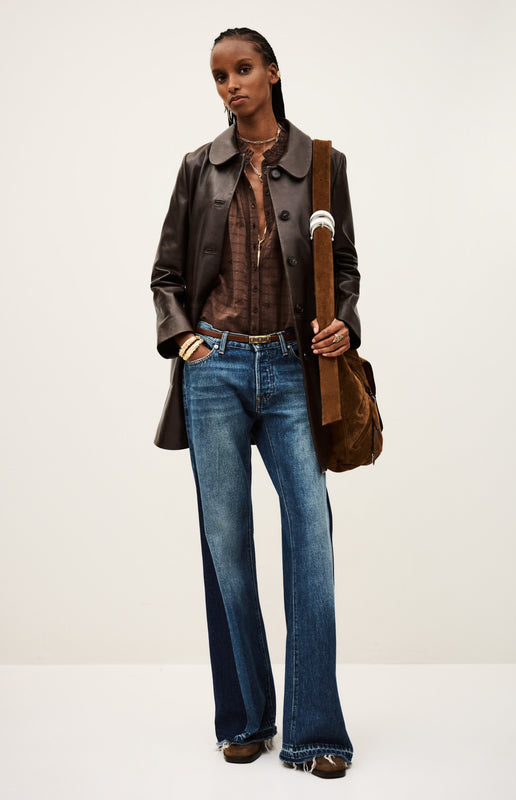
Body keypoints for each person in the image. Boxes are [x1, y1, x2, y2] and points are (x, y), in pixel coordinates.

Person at [150, 27, 361, 779]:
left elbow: (345, 268)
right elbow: (166, 275)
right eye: (219, 76)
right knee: (227, 549)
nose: (230, 85)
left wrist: (343, 322)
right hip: (215, 370)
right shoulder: (196, 167)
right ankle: (243, 718)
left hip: (293, 371)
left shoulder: (322, 166)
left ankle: (314, 730)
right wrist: (184, 339)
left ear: (272, 72)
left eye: (242, 69)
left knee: (310, 541)